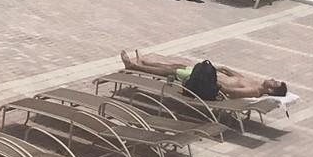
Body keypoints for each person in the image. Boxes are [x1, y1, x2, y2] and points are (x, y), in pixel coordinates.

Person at [121, 50, 287, 99]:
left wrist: (212, 81)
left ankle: (134, 66)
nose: (272, 79)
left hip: (205, 83)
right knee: (178, 66)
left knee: (171, 71)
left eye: (274, 83)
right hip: (210, 76)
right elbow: (238, 77)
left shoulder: (254, 91)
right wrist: (224, 69)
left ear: (271, 90)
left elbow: (232, 92)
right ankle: (145, 62)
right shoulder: (255, 83)